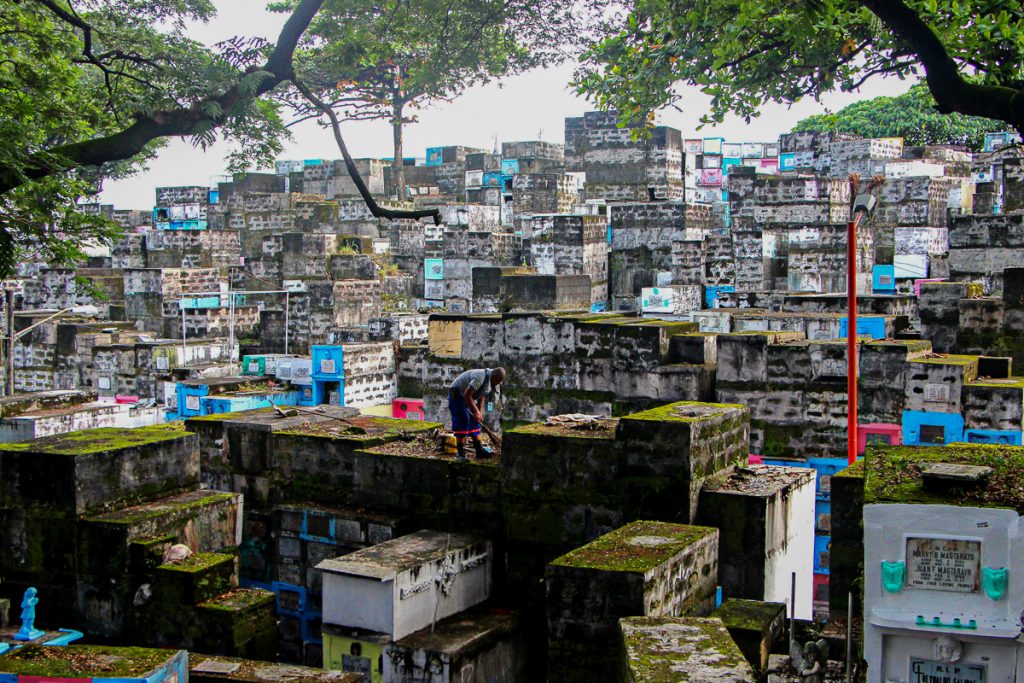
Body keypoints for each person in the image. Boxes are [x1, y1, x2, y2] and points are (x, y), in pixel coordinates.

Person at [448, 367, 505, 461]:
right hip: (458, 395)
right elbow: (467, 394)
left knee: (475, 422)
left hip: (467, 397)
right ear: (494, 376)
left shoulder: (490, 380)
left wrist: (479, 411)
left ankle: (479, 451)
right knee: (463, 420)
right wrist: (476, 411)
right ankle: (460, 454)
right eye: (498, 381)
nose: (498, 384)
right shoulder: (480, 378)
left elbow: (481, 394)